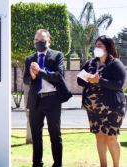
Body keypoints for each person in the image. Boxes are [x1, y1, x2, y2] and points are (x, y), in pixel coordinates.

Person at [77, 35, 126, 167]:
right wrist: (89, 79)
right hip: (94, 108)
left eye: (100, 45)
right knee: (99, 136)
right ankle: (103, 165)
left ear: (108, 47)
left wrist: (99, 81)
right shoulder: (91, 63)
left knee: (111, 137)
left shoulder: (115, 63)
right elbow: (79, 80)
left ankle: (116, 165)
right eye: (96, 45)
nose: (96, 48)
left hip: (112, 107)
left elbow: (118, 84)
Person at [23, 29, 66, 167]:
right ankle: (37, 164)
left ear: (49, 41)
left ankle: (57, 164)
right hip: (36, 100)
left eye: (42, 40)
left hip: (52, 99)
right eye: (36, 40)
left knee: (55, 134)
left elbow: (58, 76)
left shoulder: (57, 55)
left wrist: (40, 72)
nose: (39, 43)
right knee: (36, 135)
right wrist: (33, 77)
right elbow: (25, 80)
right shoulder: (29, 59)